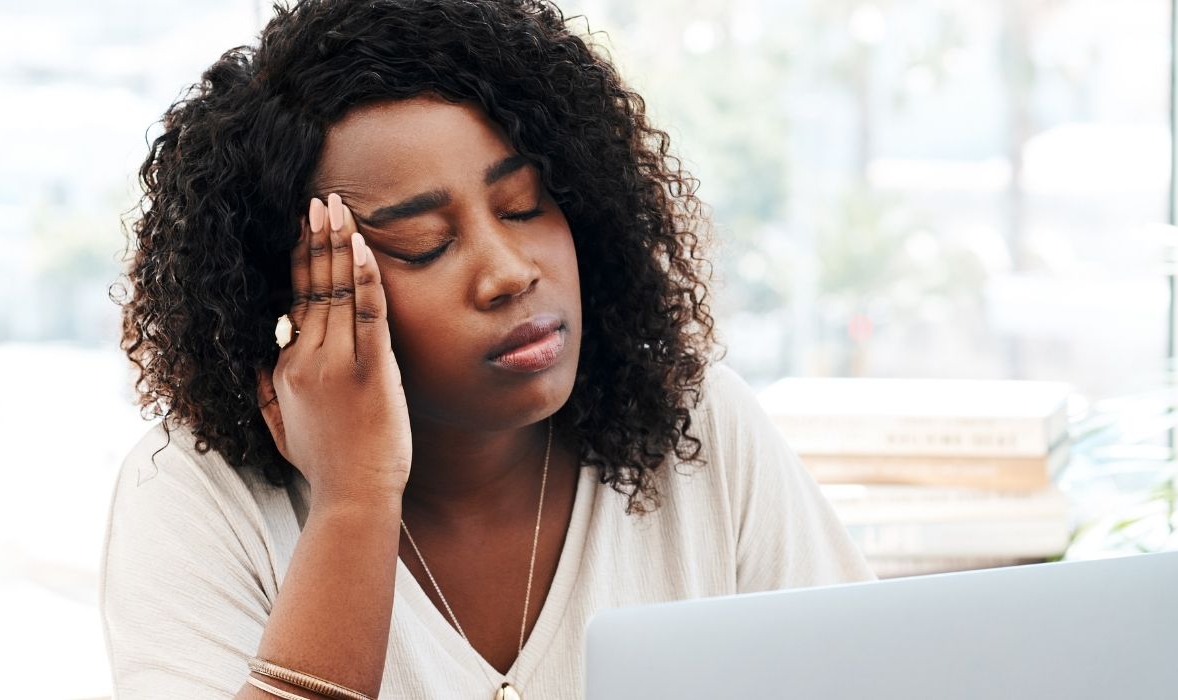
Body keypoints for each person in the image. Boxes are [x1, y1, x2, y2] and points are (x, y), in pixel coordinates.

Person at [101, 1, 873, 698]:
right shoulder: (196, 499)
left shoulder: (698, 429)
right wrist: (353, 500)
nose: (509, 272)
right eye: (425, 244)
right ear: (295, 301)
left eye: (524, 206)